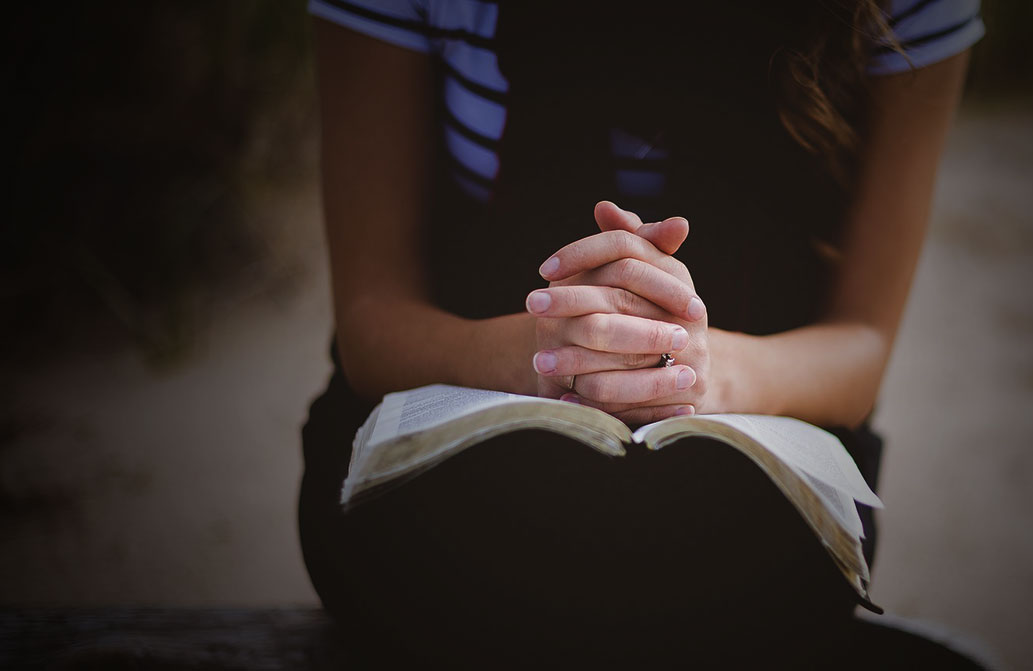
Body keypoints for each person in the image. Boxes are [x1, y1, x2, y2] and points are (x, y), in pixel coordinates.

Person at [299, 0, 986, 667]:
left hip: (755, 476)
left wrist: (693, 368)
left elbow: (861, 343)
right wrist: (548, 353)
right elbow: (370, 319)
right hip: (453, 467)